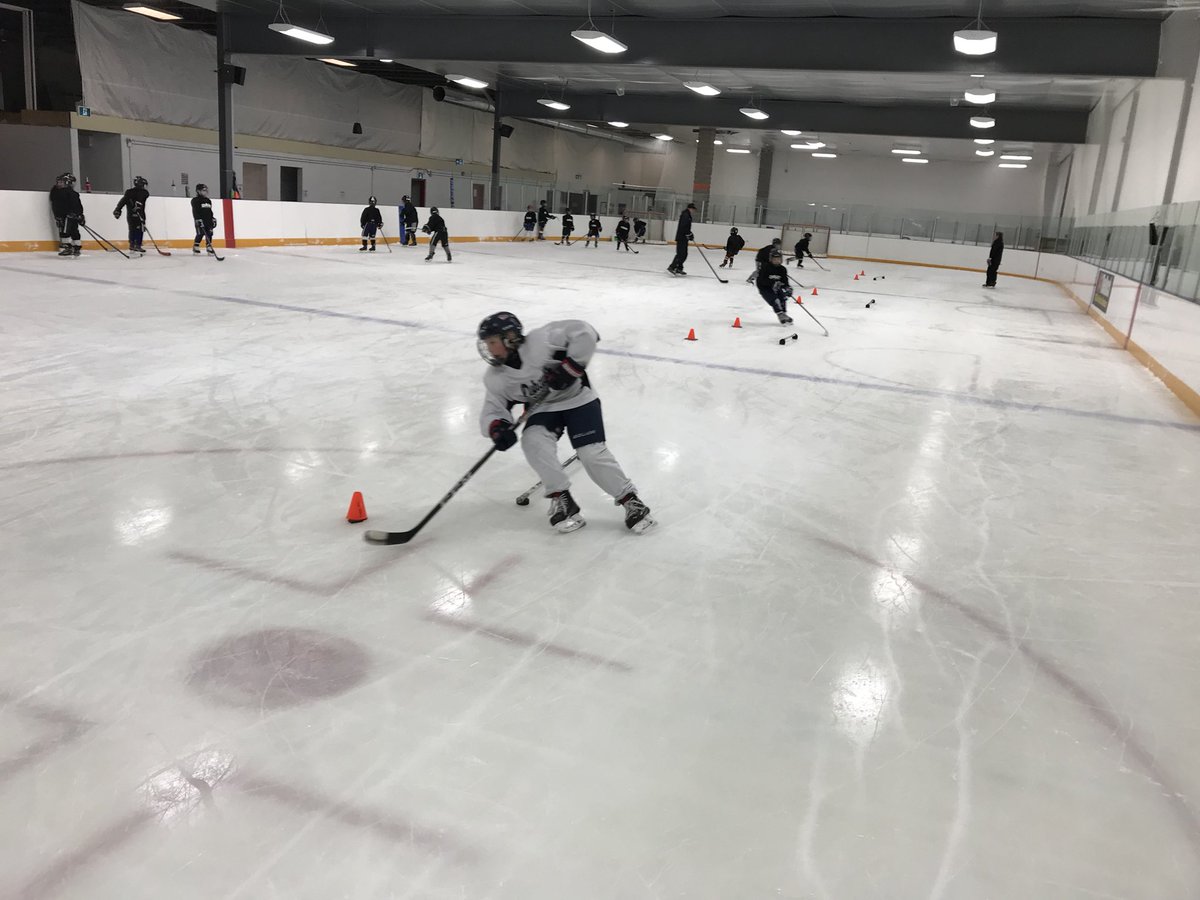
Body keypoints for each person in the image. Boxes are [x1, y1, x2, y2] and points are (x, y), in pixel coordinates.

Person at [476, 311, 654, 535]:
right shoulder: (496, 377)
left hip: (579, 400)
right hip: (545, 409)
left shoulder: (542, 340)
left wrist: (570, 368)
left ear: (510, 337)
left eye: (492, 342)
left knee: (591, 453)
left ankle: (630, 500)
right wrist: (497, 427)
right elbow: (493, 408)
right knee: (532, 442)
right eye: (486, 344)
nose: (489, 349)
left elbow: (585, 332)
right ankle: (562, 499)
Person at [756, 247, 795, 325]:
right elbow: (761, 280)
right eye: (775, 259)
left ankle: (784, 314)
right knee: (775, 300)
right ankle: (780, 314)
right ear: (771, 259)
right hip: (765, 288)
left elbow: (785, 281)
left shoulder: (783, 269)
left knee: (783, 298)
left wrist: (788, 288)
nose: (777, 261)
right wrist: (772, 283)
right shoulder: (765, 267)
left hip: (777, 288)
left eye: (778, 259)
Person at [49, 172, 84, 258]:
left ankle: (73, 247)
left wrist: (79, 215)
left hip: (70, 216)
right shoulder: (57, 193)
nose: (59, 184)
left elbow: (77, 205)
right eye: (58, 182)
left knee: (69, 231)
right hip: (62, 216)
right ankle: (72, 247)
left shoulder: (71, 194)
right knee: (65, 231)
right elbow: (54, 200)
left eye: (62, 182)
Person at [113, 175, 149, 254]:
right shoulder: (143, 193)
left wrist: (118, 209)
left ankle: (133, 244)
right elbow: (126, 200)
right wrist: (118, 209)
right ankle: (136, 244)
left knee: (134, 229)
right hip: (138, 214)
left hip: (133, 214)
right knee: (138, 229)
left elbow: (124, 200)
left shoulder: (130, 192)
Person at [667, 202, 695, 275]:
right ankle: (672, 267)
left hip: (684, 237)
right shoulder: (685, 215)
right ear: (690, 208)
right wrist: (689, 234)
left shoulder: (687, 215)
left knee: (684, 254)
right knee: (681, 254)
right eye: (693, 209)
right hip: (681, 237)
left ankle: (679, 268)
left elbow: (686, 227)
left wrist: (689, 234)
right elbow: (683, 226)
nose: (693, 211)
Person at [191, 184, 217, 255]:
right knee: (200, 233)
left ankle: (209, 247)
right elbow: (195, 211)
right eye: (203, 190)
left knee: (209, 233)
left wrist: (213, 218)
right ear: (198, 191)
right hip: (200, 220)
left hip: (208, 220)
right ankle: (196, 246)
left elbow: (210, 211)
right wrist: (198, 219)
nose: (205, 192)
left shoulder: (208, 200)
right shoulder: (195, 200)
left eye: (206, 190)